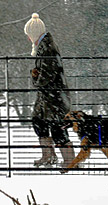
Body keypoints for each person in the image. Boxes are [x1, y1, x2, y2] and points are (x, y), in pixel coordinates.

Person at [24, 13, 75, 167]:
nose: (28, 38)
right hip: (50, 96)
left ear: (33, 34)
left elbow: (46, 74)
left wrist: (36, 78)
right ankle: (49, 156)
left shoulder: (47, 48)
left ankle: (69, 161)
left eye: (28, 35)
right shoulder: (45, 45)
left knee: (57, 127)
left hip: (53, 98)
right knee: (39, 122)